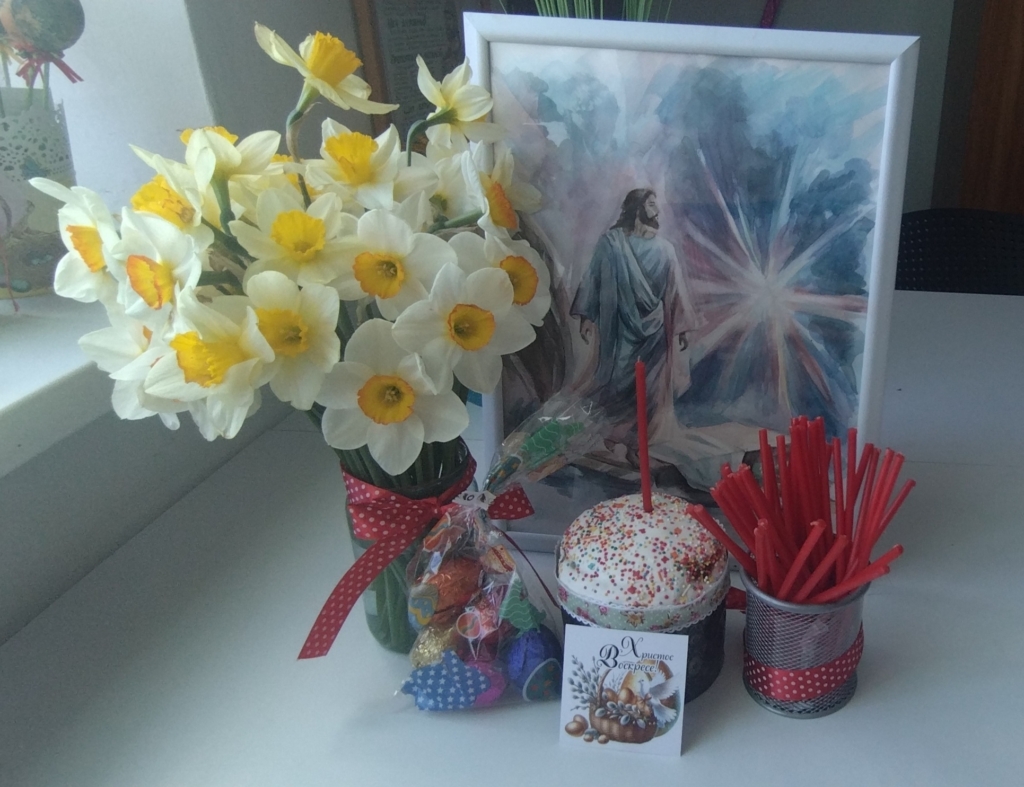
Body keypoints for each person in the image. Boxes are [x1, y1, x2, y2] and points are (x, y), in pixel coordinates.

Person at [570, 188, 701, 437]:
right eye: (651, 204)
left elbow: (676, 290)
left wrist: (682, 328)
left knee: (651, 387)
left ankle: (645, 438)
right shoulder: (611, 244)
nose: (657, 210)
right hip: (620, 331)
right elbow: (593, 278)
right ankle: (618, 436)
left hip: (656, 334)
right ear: (638, 208)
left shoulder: (665, 249)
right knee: (619, 382)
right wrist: (586, 316)